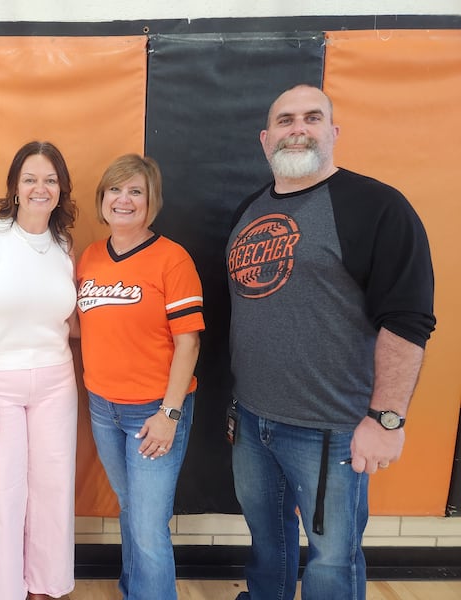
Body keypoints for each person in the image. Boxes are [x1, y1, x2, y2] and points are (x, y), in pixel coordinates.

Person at [226, 84, 436, 600]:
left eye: (312, 117)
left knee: (331, 561)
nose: (298, 128)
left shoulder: (377, 206)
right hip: (253, 422)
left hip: (330, 431)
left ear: (333, 132)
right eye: (285, 120)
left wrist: (387, 419)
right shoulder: (249, 211)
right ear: (265, 138)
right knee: (266, 545)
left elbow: (408, 319)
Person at [0, 141, 79, 600]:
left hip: (57, 384)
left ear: (61, 189)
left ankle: (47, 587)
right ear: (15, 187)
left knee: (53, 491)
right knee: (5, 498)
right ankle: (6, 593)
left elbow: (71, 319)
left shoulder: (64, 245)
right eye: (30, 178)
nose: (39, 187)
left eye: (49, 179)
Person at [76, 154, 205, 600]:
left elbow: (189, 344)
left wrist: (169, 413)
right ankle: (135, 590)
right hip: (102, 408)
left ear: (152, 202)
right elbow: (79, 324)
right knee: (131, 510)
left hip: (155, 410)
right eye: (115, 190)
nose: (124, 199)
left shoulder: (173, 259)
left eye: (136, 191)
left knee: (148, 526)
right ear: (102, 199)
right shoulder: (90, 257)